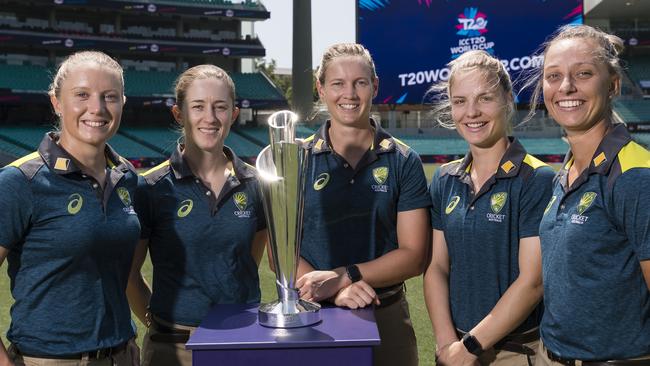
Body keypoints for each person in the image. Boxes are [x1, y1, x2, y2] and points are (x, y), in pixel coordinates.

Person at [0, 51, 140, 366]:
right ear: (57, 102)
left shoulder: (127, 178)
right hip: (50, 359)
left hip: (121, 355)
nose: (98, 108)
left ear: (122, 103)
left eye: (110, 97)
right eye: (82, 95)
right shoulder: (21, 181)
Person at [294, 43, 431, 366]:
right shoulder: (296, 159)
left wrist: (344, 276)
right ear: (321, 89)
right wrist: (330, 292)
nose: (349, 94)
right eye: (338, 83)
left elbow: (414, 257)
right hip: (313, 317)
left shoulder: (403, 160)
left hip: (386, 317)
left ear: (375, 87)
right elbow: (280, 250)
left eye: (360, 82)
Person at [127, 64, 267, 366]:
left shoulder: (258, 185)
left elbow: (247, 261)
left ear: (233, 113)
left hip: (242, 341)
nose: (210, 118)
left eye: (220, 107)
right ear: (179, 114)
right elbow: (129, 276)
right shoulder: (150, 187)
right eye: (198, 107)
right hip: (172, 349)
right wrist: (163, 322)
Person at [526, 24, 650, 365]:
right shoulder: (566, 172)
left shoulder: (635, 176)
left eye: (582, 73)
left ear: (612, 84)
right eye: (553, 76)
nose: (566, 87)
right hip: (552, 355)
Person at [423, 50, 554, 366]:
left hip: (514, 352)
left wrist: (468, 348)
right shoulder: (445, 179)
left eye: (484, 99)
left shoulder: (536, 178)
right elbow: (437, 267)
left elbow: (532, 281)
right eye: (459, 101)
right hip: (454, 349)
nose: (471, 112)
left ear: (507, 100)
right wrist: (446, 344)